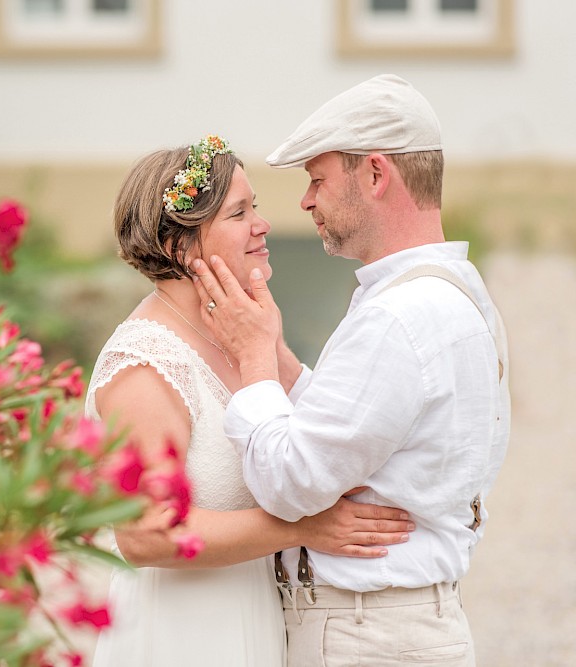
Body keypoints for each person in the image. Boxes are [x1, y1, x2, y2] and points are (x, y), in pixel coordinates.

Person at [192, 75, 511, 666]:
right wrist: (273, 345)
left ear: (374, 174)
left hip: (367, 637)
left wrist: (256, 361)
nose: (306, 201)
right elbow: (358, 426)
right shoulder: (452, 294)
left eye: (317, 179)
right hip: (404, 625)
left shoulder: (398, 317)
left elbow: (290, 484)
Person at [85, 134, 416, 667]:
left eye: (254, 207)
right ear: (180, 246)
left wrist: (271, 346)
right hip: (181, 637)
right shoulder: (147, 363)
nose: (263, 225)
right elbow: (145, 533)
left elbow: (316, 441)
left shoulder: (236, 335)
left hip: (251, 618)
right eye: (240, 213)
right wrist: (304, 527)